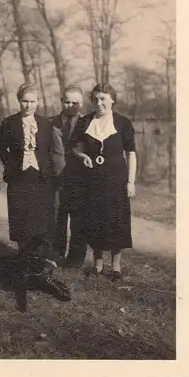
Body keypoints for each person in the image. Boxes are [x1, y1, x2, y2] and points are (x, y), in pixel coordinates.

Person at [0, 83, 69, 311]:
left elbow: (52, 152)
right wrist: (12, 167)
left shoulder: (46, 124)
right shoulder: (9, 123)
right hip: (20, 181)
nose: (28, 105)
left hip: (41, 182)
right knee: (23, 227)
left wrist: (50, 173)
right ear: (19, 101)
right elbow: (2, 149)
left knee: (42, 227)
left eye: (33, 101)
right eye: (25, 101)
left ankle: (42, 273)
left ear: (38, 102)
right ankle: (23, 276)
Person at [70, 83, 137, 281]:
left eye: (103, 99)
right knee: (95, 219)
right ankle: (98, 264)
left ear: (112, 100)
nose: (99, 103)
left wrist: (131, 182)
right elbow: (72, 147)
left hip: (117, 179)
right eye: (96, 99)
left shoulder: (123, 123)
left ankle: (116, 268)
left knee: (117, 220)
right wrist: (82, 156)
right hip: (92, 180)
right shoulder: (84, 122)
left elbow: (131, 153)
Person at [51, 85, 87, 266]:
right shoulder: (51, 123)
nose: (70, 105)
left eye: (75, 102)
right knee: (58, 215)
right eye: (67, 101)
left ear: (81, 103)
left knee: (79, 217)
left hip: (80, 178)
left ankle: (75, 259)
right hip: (57, 177)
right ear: (61, 101)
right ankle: (56, 255)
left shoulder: (88, 123)